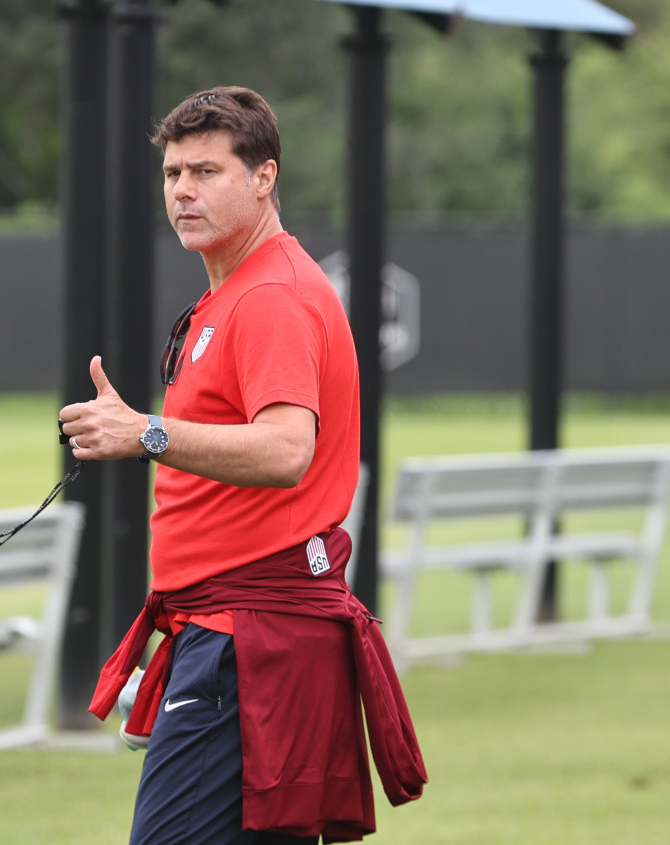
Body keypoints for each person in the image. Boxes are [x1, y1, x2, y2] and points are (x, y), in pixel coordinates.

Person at [58, 86, 426, 844]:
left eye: (207, 171)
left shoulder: (272, 297)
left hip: (247, 639)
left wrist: (146, 434)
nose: (184, 191)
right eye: (172, 174)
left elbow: (286, 449)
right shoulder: (235, 291)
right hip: (244, 632)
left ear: (264, 177)